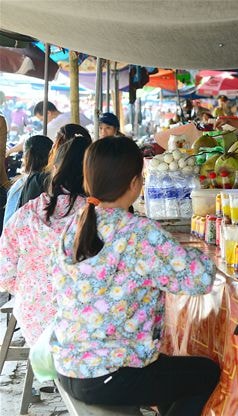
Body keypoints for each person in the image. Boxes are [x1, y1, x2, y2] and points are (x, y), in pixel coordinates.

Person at [50, 136, 219, 415]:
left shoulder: (75, 226)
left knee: (169, 373)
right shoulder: (139, 232)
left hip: (69, 365)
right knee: (206, 374)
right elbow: (200, 279)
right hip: (108, 374)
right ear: (135, 183)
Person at [0, 136, 90, 345]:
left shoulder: (28, 211)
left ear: (55, 169)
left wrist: (30, 287)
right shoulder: (99, 215)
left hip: (33, 321)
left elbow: (3, 272)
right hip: (84, 323)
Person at [6, 101, 92, 156]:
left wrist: (10, 151)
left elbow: (34, 140)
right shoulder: (76, 115)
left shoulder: (58, 122)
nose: (44, 123)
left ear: (48, 113)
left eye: (42, 119)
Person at [3, 135, 53, 227]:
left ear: (27, 156)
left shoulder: (20, 185)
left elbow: (8, 222)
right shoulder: (56, 182)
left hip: (23, 238)